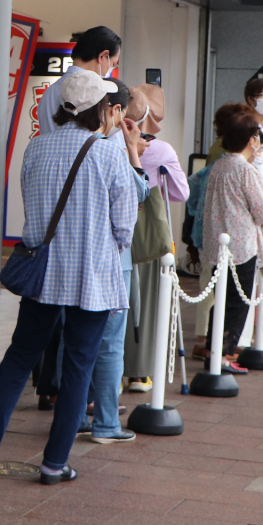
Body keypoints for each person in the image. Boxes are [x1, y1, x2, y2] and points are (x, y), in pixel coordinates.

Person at [0, 69, 139, 483]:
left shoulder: (37, 148)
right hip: (92, 278)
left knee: (19, 358)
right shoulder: (108, 151)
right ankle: (53, 463)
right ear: (101, 108)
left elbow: (31, 204)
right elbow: (124, 224)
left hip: (43, 274)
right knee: (79, 366)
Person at [86, 81, 145, 444]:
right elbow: (139, 196)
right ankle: (106, 422)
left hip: (70, 261)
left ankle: (76, 414)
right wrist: (132, 149)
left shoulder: (56, 142)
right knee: (109, 343)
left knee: (73, 342)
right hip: (111, 263)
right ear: (116, 111)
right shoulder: (111, 149)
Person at [200, 103, 263, 369]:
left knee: (220, 298)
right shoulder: (245, 170)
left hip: (216, 245)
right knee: (237, 301)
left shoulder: (220, 167)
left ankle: (214, 349)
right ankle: (224, 355)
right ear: (251, 139)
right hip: (241, 245)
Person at [123, 83, 187, 393]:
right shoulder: (160, 150)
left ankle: (114, 372)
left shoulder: (110, 141)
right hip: (147, 233)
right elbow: (179, 193)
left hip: (114, 230)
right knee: (146, 304)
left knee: (118, 303)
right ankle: (140, 373)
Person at [38, 25, 122, 133]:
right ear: (103, 56)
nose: (111, 69)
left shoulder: (48, 93)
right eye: (113, 64)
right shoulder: (98, 95)